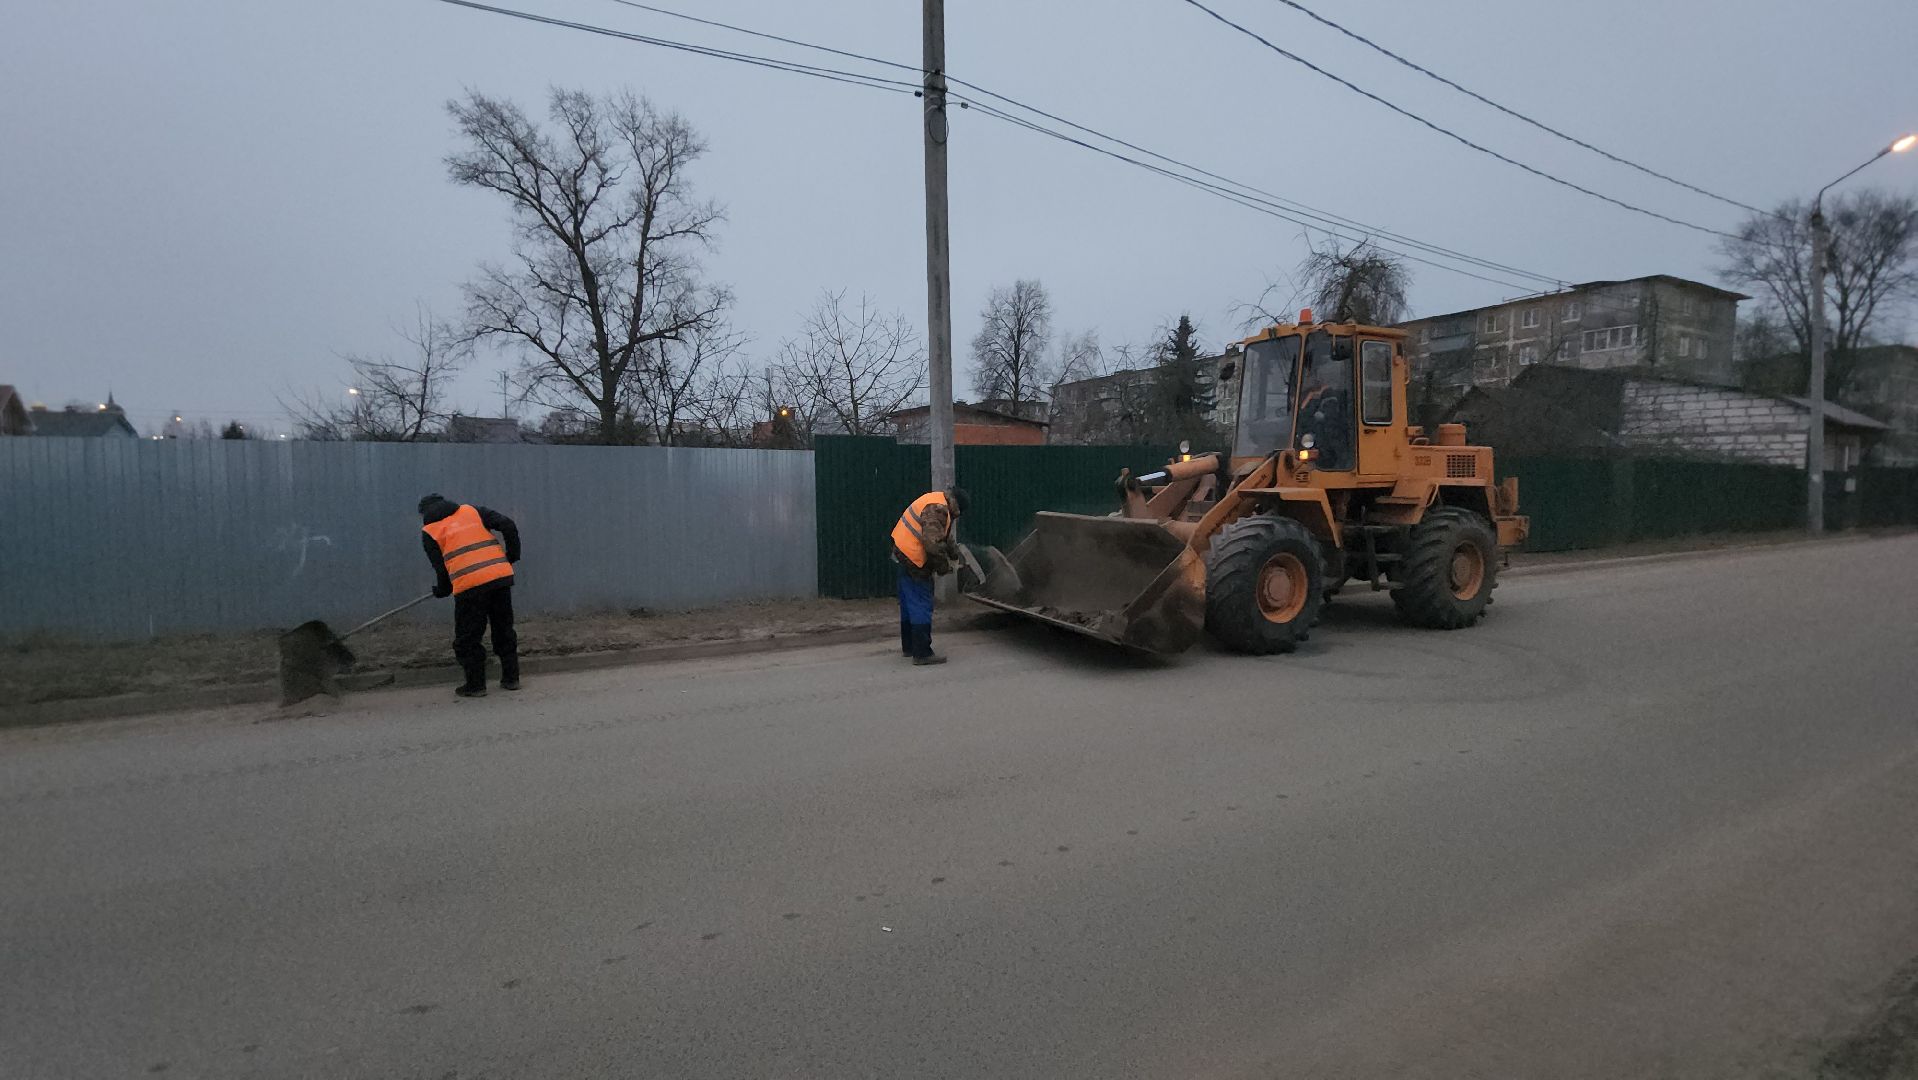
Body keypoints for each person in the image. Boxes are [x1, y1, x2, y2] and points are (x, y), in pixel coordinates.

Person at [419, 494, 521, 698]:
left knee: (468, 639)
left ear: (424, 513)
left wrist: (442, 590)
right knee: (503, 630)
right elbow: (508, 524)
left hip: (469, 588)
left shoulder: (430, 531)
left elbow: (441, 568)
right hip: (498, 578)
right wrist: (512, 556)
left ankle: (476, 685)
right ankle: (511, 678)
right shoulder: (472, 511)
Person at [890, 486, 968, 666]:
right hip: (914, 559)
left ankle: (909, 647)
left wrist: (955, 555)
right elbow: (932, 545)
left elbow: (943, 537)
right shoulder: (939, 509)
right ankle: (922, 653)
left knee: (909, 603)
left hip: (902, 552)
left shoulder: (936, 500)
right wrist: (944, 568)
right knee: (921, 604)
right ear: (957, 506)